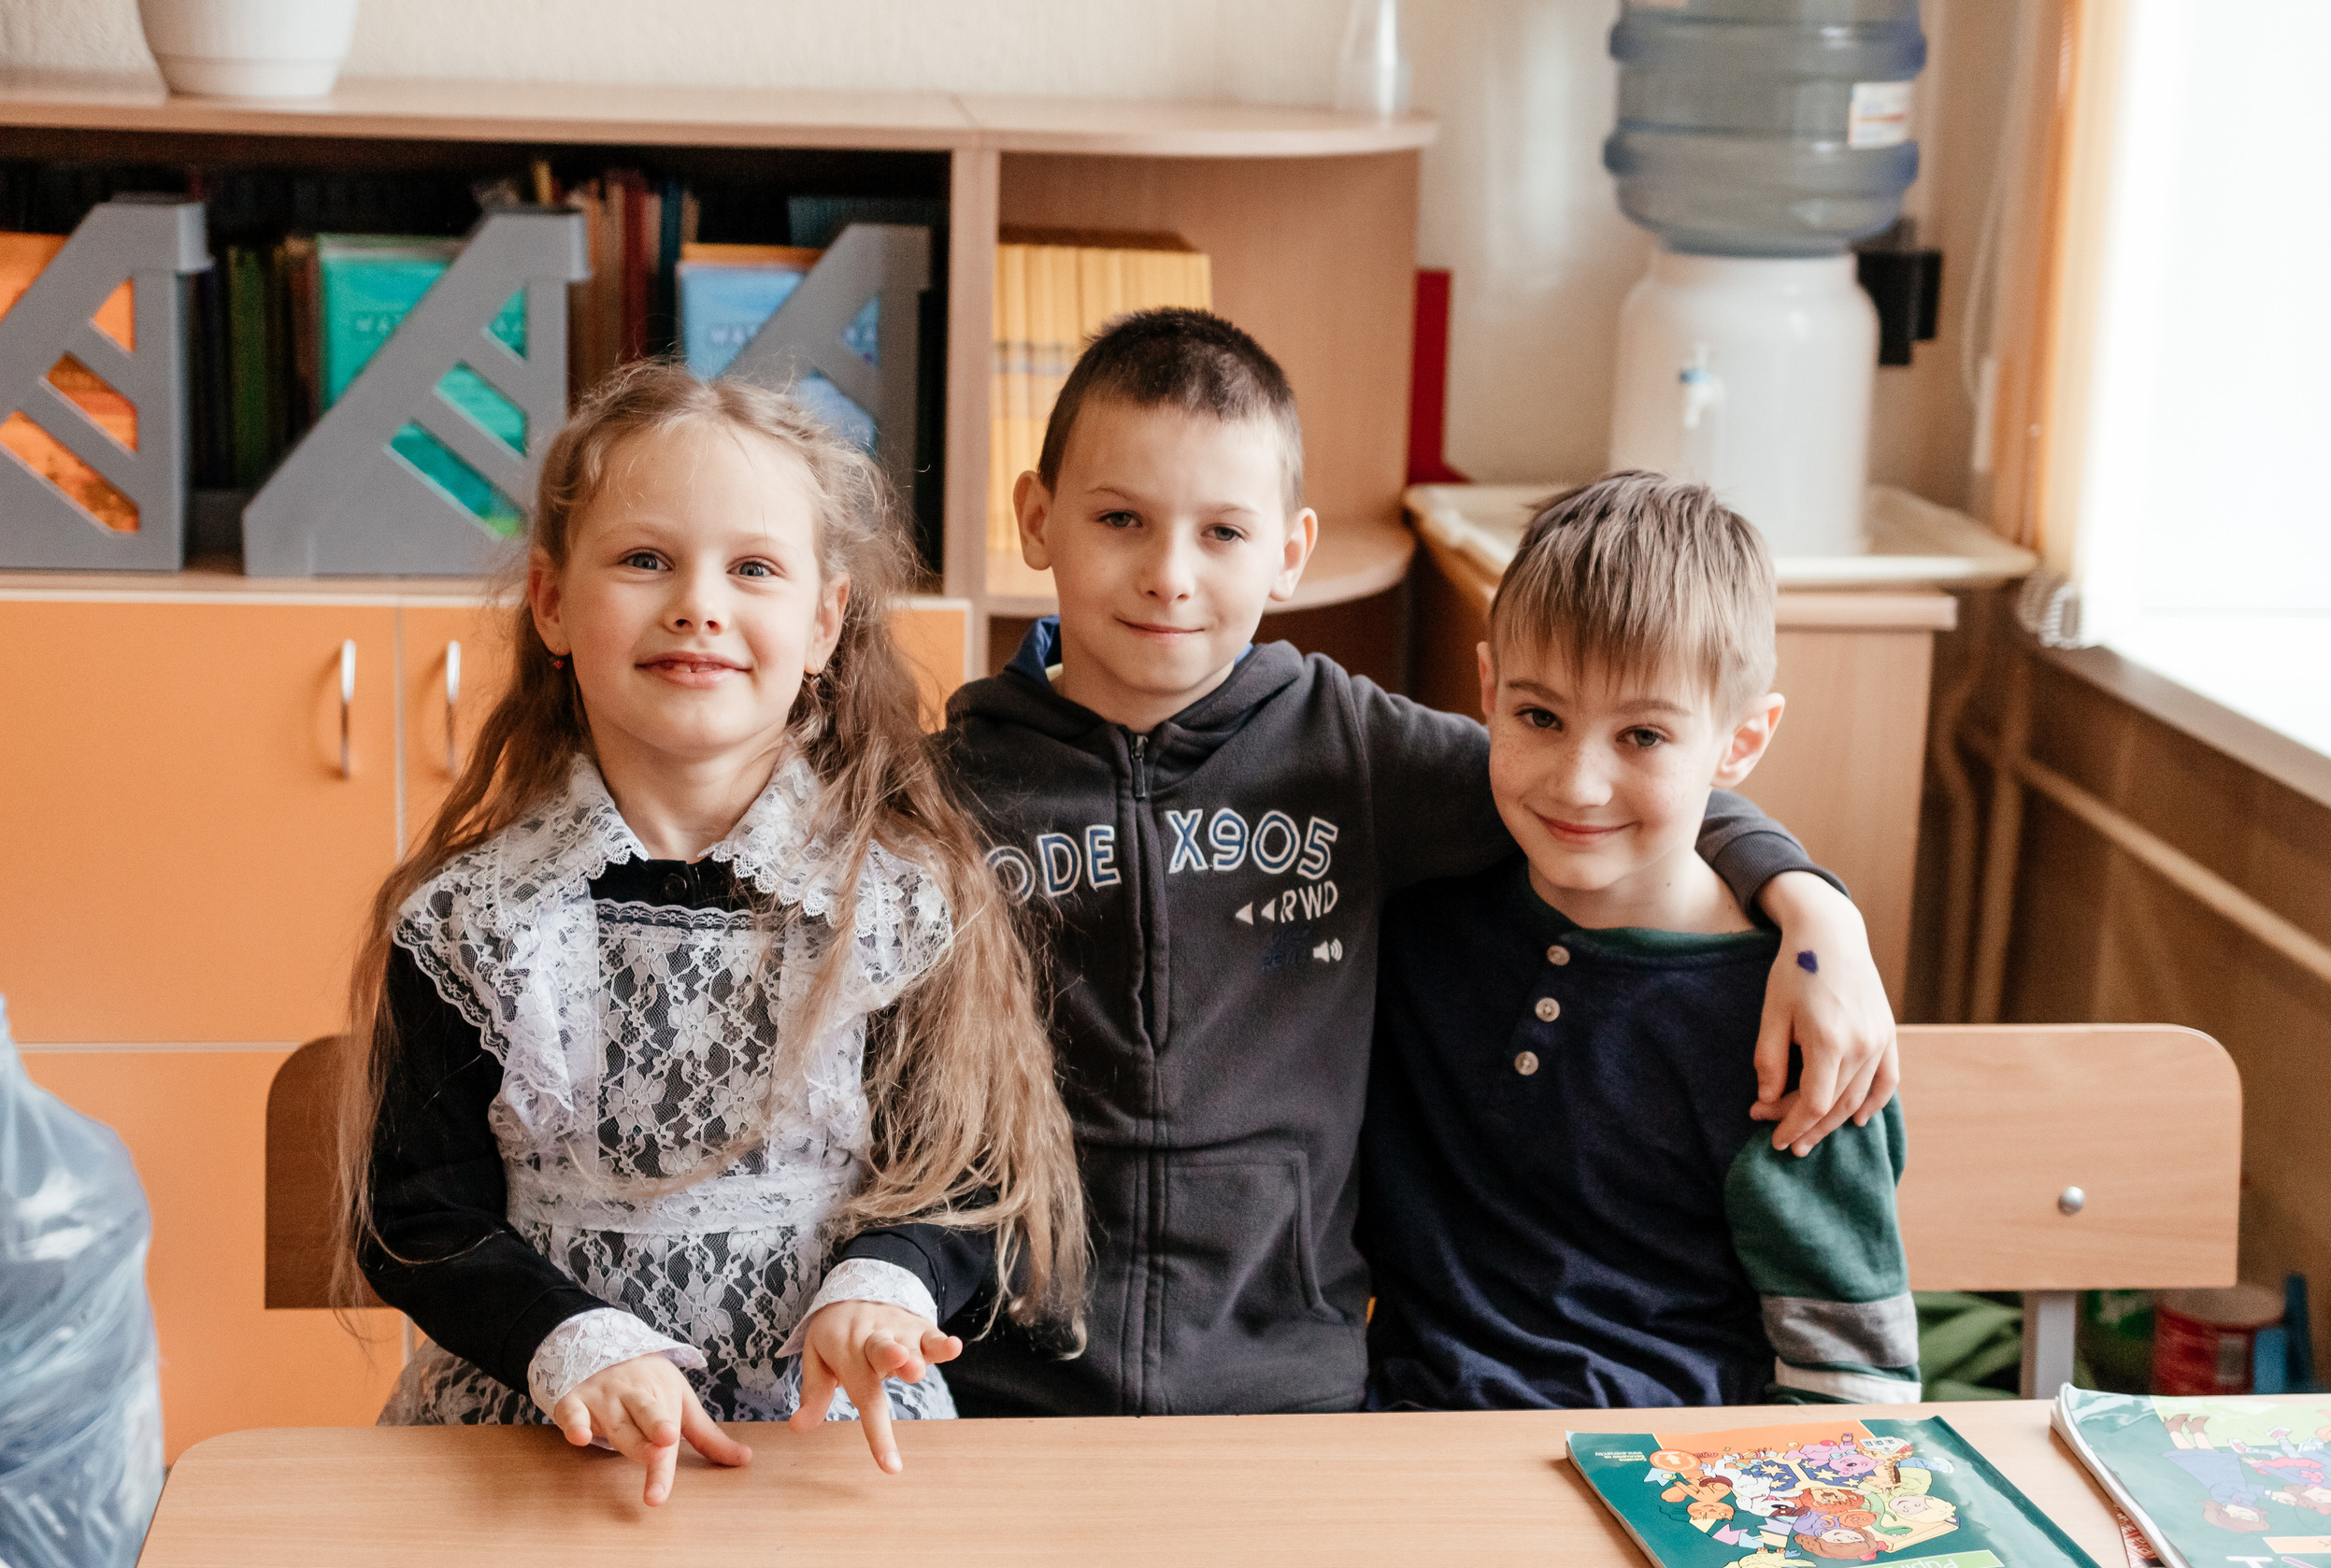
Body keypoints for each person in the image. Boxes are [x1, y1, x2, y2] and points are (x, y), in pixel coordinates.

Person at [933, 310, 1900, 1418]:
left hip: (1288, 1394)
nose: (1169, 575)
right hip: (1007, 1386)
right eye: (1120, 519)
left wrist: (1815, 909)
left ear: (1290, 553)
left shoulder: (1352, 750)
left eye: (1222, 534)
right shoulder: (952, 782)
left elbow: (1624, 793)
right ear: (1036, 518)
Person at [339, 365, 1085, 1504]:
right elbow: (417, 1216)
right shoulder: (470, 921)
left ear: (824, 620)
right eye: (645, 560)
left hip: (827, 1448)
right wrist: (574, 1344)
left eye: (752, 569)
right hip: (540, 1450)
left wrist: (887, 1282)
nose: (698, 604)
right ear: (549, 601)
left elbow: (965, 1179)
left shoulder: (903, 903)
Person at [1359, 472, 1919, 1411]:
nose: (1578, 783)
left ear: (1741, 741)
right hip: (1397, 1445)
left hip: (1665, 1480)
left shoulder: (1794, 1018)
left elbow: (1850, 1382)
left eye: (1644, 736)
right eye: (1540, 717)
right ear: (1489, 689)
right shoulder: (1419, 909)